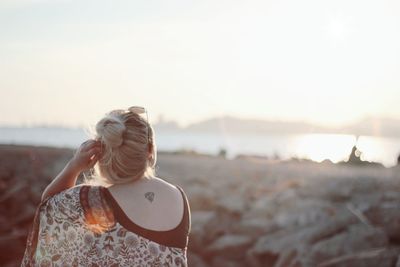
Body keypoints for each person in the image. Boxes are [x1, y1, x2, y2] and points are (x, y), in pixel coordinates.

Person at [21, 107, 191, 266]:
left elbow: (49, 206)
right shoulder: (178, 197)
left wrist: (74, 166)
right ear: (150, 150)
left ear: (101, 155)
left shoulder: (89, 200)